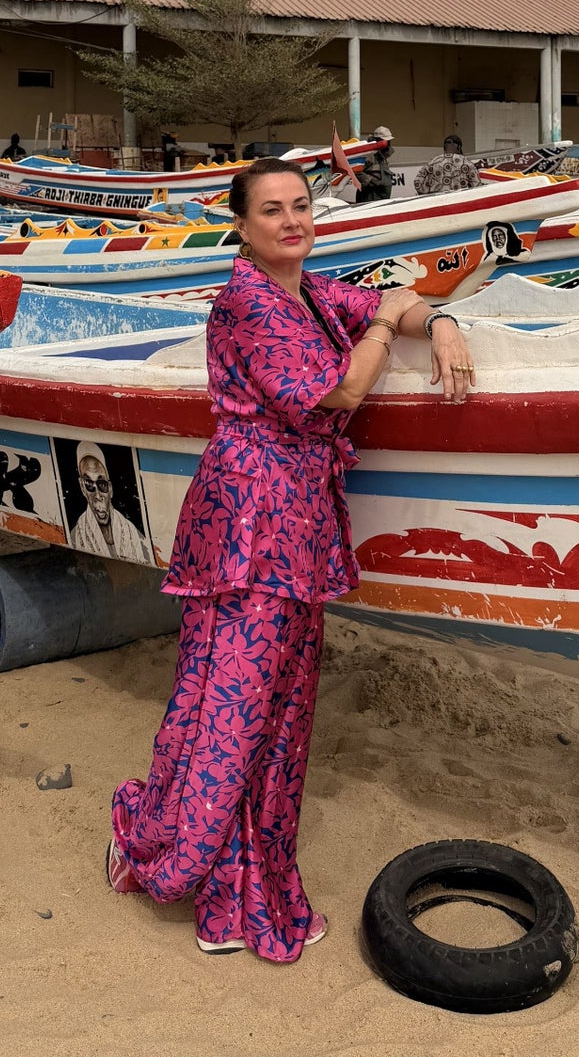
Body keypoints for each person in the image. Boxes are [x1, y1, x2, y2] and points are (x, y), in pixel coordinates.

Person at [107, 157, 475, 962]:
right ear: (241, 226)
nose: (291, 220)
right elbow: (338, 391)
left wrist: (438, 323)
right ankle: (180, 859)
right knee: (234, 705)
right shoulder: (247, 300)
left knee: (278, 706)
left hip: (296, 516)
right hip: (248, 517)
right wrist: (381, 332)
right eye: (271, 210)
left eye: (301, 205)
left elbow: (393, 299)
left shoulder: (306, 288)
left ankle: (244, 871)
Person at [66, 443, 155, 564]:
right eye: (89, 484)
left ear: (110, 489)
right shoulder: (75, 537)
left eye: (102, 484)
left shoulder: (134, 536)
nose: (97, 496)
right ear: (82, 488)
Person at [413, 134, 481, 198]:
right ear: (459, 147)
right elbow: (477, 185)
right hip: (459, 201)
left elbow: (418, 182)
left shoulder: (433, 162)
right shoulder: (466, 163)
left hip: (437, 202)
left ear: (444, 147)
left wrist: (426, 194)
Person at [355, 125, 396, 203]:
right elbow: (356, 171)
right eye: (386, 141)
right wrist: (371, 182)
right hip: (369, 197)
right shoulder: (368, 155)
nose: (388, 144)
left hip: (381, 198)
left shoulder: (382, 157)